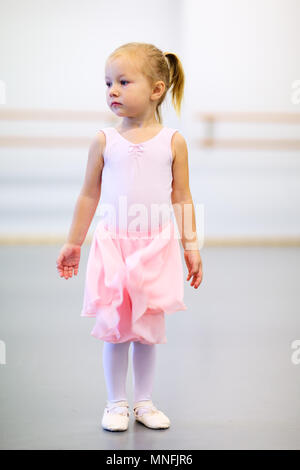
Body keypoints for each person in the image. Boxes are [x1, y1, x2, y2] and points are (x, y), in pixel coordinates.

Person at [56, 42, 203, 432]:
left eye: (123, 82)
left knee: (148, 329)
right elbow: (89, 193)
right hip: (114, 245)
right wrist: (74, 242)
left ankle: (144, 401)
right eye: (108, 83)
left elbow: (182, 195)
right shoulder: (105, 140)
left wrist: (191, 245)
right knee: (117, 327)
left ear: (156, 89)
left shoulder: (173, 141)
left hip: (155, 246)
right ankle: (116, 402)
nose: (113, 91)